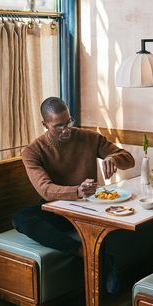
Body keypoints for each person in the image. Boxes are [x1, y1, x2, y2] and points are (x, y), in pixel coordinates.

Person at [12, 96, 135, 293]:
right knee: (20, 218)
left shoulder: (89, 137)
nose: (66, 129)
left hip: (90, 207)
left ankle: (95, 259)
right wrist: (76, 191)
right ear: (45, 124)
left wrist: (113, 157)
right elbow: (45, 189)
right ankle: (85, 252)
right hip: (58, 210)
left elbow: (128, 160)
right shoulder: (32, 152)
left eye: (69, 121)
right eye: (59, 126)